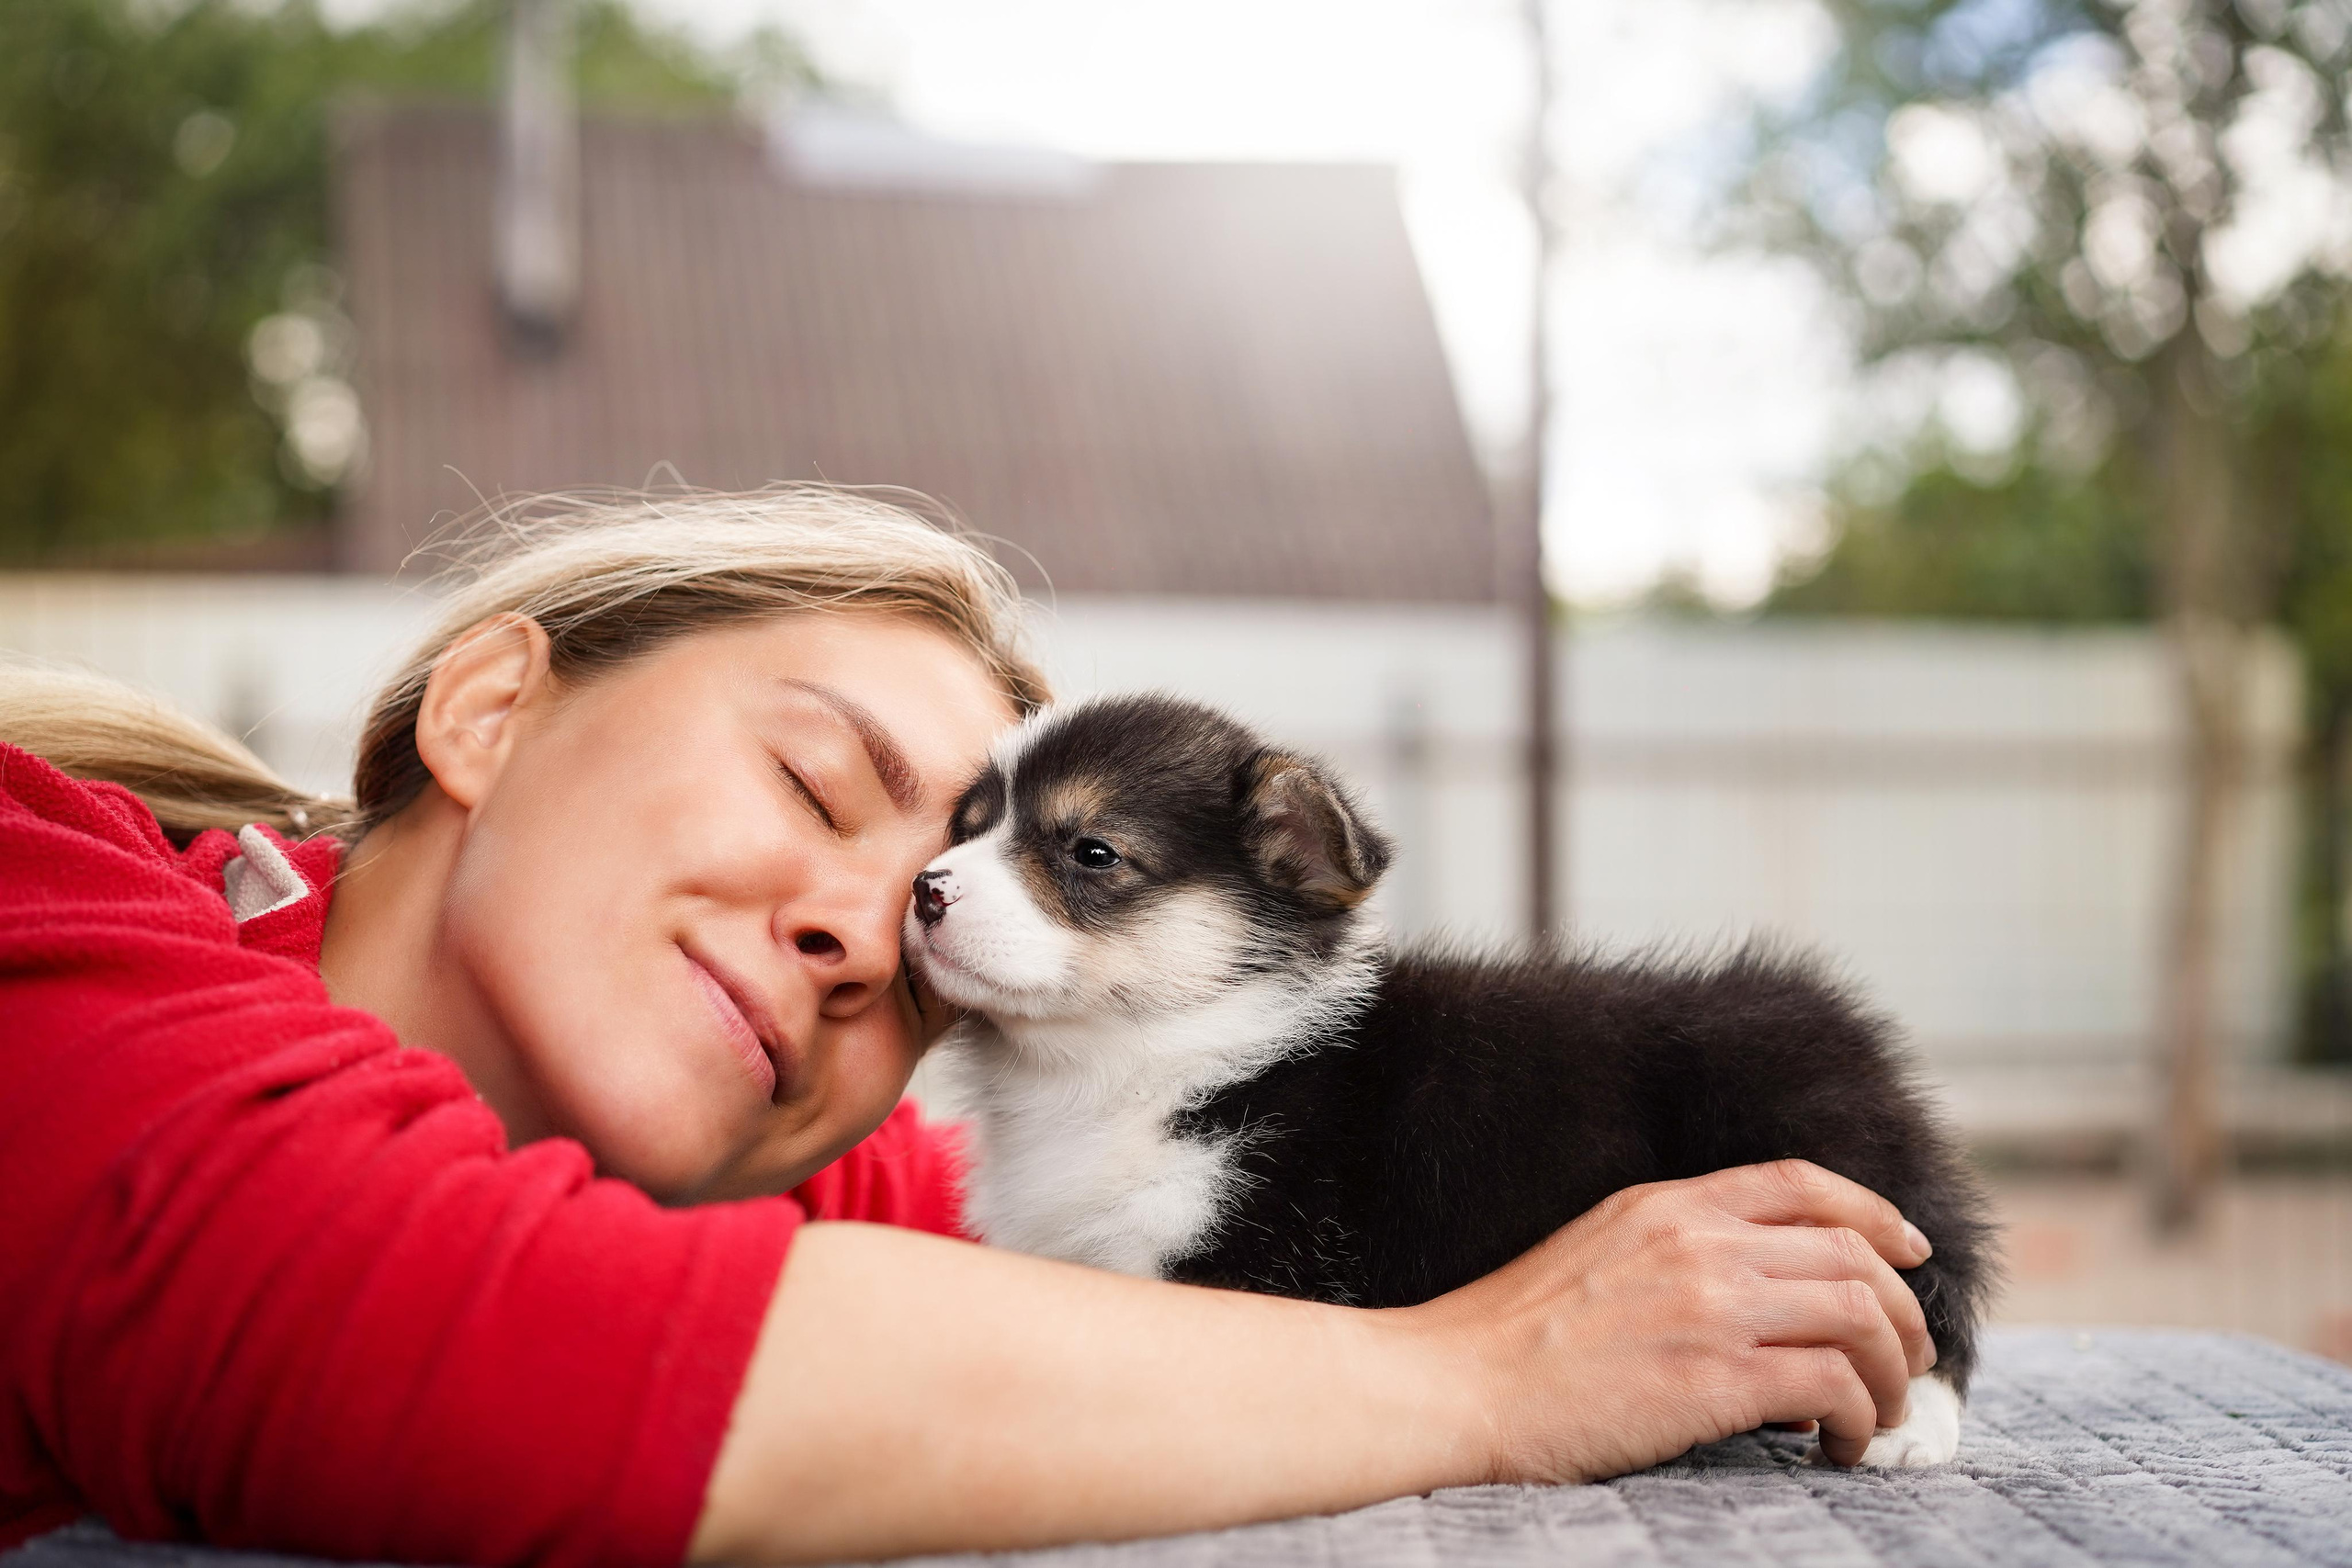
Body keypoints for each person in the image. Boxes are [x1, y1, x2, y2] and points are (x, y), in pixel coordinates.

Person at [0, 489, 1937, 1568]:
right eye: (815, 773)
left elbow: (1053, 1327)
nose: (871, 928)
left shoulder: (803, 1186)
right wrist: (1492, 1375)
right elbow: (465, 1326)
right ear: (493, 708)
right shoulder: (48, 901)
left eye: (935, 961)